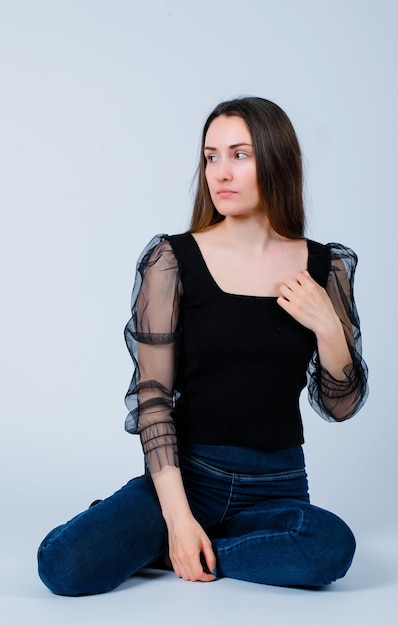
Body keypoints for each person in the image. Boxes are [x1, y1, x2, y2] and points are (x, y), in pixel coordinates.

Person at [37, 96, 368, 596]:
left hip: (277, 484)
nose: (220, 172)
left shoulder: (326, 268)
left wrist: (329, 329)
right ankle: (183, 536)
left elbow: (340, 407)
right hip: (189, 475)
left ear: (277, 161)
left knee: (330, 548)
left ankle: (187, 551)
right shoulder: (173, 260)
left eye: (239, 154)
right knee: (63, 565)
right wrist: (177, 516)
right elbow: (153, 399)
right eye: (211, 156)